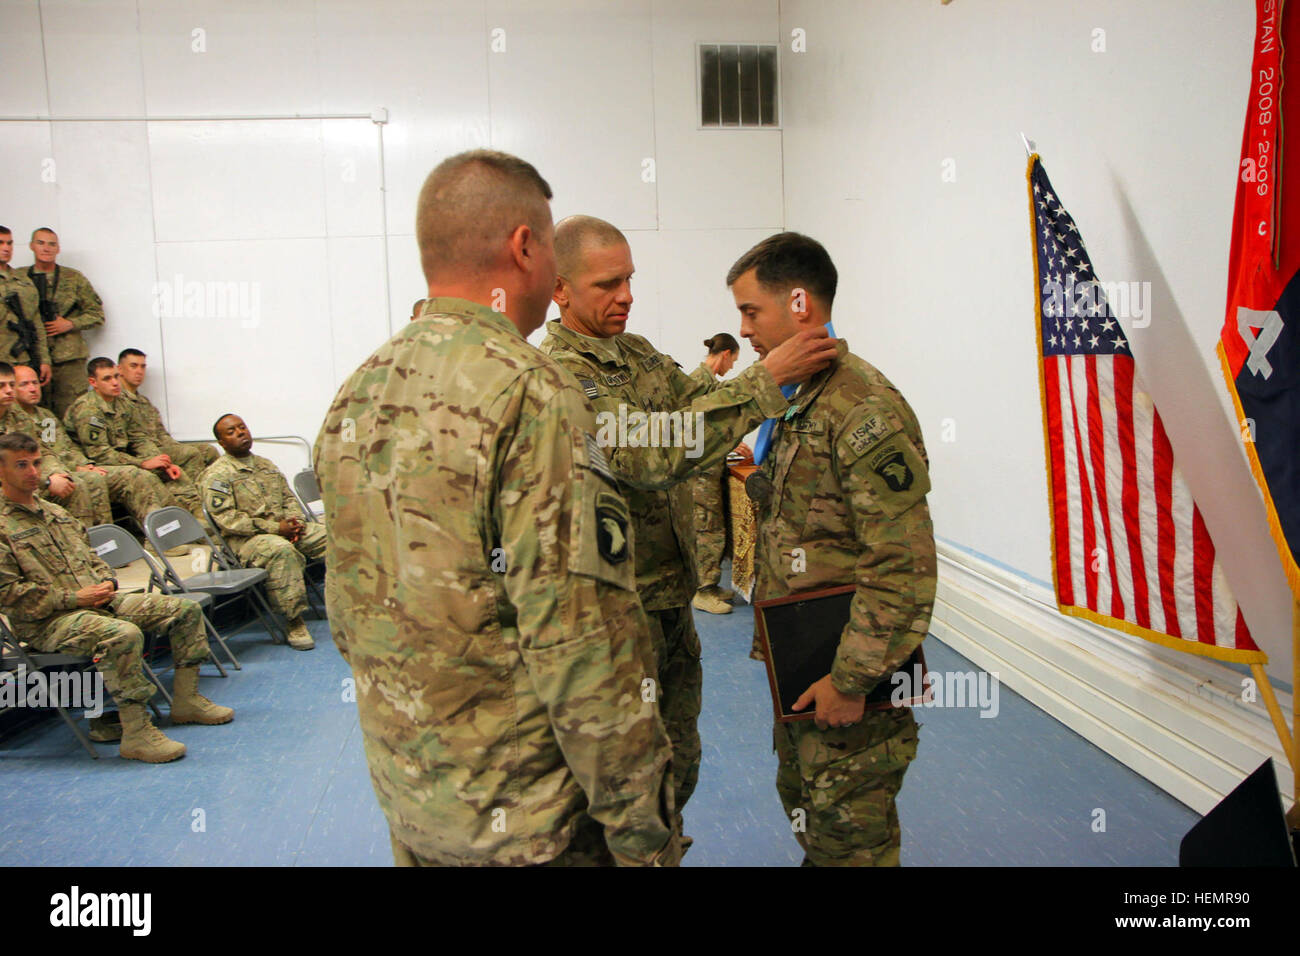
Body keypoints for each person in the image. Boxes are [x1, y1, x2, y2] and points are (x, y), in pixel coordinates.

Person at [314, 150, 678, 867]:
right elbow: (583, 650)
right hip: (531, 825)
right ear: (524, 247)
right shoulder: (532, 393)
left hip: (416, 808)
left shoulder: (360, 390)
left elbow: (350, 618)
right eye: (547, 243)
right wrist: (644, 836)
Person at [539, 215, 837, 840]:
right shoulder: (558, 373)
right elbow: (649, 453)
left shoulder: (636, 351)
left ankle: (665, 841)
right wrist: (764, 379)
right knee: (626, 775)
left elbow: (683, 400)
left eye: (629, 279)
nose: (625, 295)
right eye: (607, 284)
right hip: (618, 612)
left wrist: (731, 372)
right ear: (559, 288)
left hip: (671, 597)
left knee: (679, 756)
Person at [728, 232, 936, 867]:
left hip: (846, 672)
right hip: (801, 663)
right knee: (811, 814)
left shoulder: (861, 406)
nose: (742, 330)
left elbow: (902, 561)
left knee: (853, 842)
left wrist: (852, 681)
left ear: (798, 304)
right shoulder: (797, 402)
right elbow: (810, 522)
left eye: (750, 311)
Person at [0, 432, 234, 763]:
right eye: (21, 465)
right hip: (47, 621)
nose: (34, 472)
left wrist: (107, 581)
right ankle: (136, 734)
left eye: (37, 463)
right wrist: (74, 598)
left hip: (96, 602)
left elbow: (93, 557)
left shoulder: (56, 513)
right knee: (123, 634)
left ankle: (186, 701)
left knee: (183, 610)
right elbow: (9, 594)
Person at [201, 414, 323, 650]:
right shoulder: (217, 475)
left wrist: (295, 522)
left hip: (284, 529)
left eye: (242, 427)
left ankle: (349, 601)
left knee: (334, 537)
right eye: (231, 431)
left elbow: (289, 498)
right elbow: (228, 521)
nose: (240, 433)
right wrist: (276, 528)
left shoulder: (266, 465)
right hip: (246, 541)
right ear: (222, 443)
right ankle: (294, 621)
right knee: (282, 551)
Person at [10, 364, 166, 530]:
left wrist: (85, 464)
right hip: (45, 478)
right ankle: (99, 543)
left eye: (35, 383)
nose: (33, 388)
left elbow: (66, 447)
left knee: (132, 475)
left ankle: (162, 532)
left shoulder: (45, 416)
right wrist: (75, 468)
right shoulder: (15, 420)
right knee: (93, 480)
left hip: (73, 468)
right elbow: (32, 460)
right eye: (24, 384)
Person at [64, 357, 207, 526]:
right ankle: (167, 529)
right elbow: (100, 454)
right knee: (140, 475)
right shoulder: (87, 409)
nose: (115, 383)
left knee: (170, 470)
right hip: (93, 464)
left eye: (116, 376)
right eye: (107, 379)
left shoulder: (123, 401)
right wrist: (143, 463)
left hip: (121, 457)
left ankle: (195, 513)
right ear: (93, 382)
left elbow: (138, 437)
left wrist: (160, 461)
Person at [0, 362, 110, 527]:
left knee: (75, 484)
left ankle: (90, 544)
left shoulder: (18, 416)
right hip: (9, 487)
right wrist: (46, 482)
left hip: (25, 480)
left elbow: (42, 451)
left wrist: (59, 474)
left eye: (11, 384)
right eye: (2, 386)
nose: (9, 390)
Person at [688, 333, 748, 615]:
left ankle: (710, 585)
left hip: (710, 468)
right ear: (725, 354)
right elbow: (699, 430)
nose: (732, 367)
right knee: (706, 529)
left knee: (714, 526)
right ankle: (702, 590)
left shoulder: (708, 382)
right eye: (733, 360)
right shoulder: (700, 383)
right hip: (700, 471)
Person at [25, 228, 104, 417]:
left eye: (52, 244)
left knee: (74, 411)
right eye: (41, 243)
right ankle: (50, 444)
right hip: (32, 357)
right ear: (32, 246)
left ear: (58, 248)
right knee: (41, 413)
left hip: (68, 360)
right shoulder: (20, 279)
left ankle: (73, 446)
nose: (46, 248)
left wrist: (70, 323)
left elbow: (97, 314)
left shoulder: (73, 278)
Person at [118, 348, 219, 474]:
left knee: (208, 450)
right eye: (133, 366)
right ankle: (193, 491)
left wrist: (177, 447)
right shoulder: (117, 401)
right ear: (120, 369)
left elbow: (162, 434)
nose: (139, 371)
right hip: (141, 455)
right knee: (190, 454)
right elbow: (134, 442)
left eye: (143, 367)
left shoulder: (144, 402)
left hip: (160, 448)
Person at [0, 226, 52, 386]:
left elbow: (35, 321)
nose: (6, 248)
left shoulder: (23, 280)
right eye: (1, 243)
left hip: (23, 358)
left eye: (9, 243)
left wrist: (44, 359)